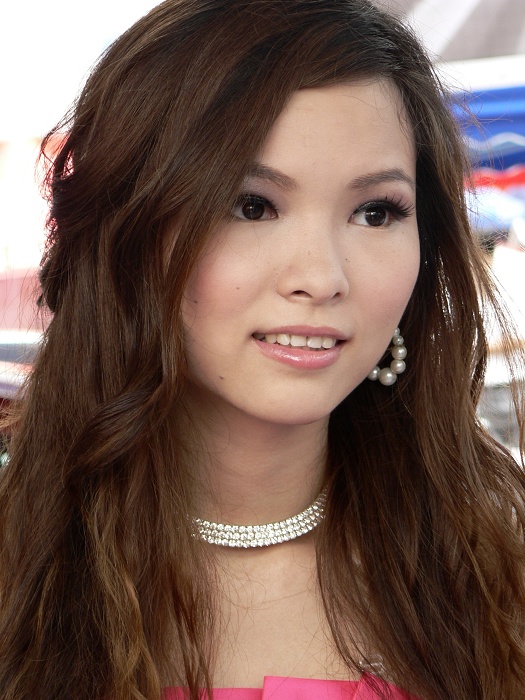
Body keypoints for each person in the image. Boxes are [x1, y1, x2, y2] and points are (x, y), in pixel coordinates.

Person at [1, 1, 524, 698]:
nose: (321, 278)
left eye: (375, 212)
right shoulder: (21, 572)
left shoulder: (492, 578)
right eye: (252, 206)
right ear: (125, 233)